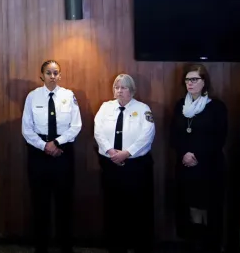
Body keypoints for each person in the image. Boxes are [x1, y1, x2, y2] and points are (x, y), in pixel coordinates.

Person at [21, 60, 82, 253]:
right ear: (42, 75)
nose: (53, 76)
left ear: (60, 75)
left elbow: (76, 126)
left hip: (63, 153)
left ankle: (66, 246)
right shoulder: (32, 97)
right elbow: (26, 129)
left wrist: (57, 143)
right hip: (39, 154)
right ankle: (41, 247)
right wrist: (44, 146)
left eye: (56, 73)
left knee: (65, 202)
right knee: (40, 203)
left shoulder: (68, 96)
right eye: (49, 73)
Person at [93, 74, 156, 253]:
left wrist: (127, 153)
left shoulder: (143, 109)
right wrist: (111, 151)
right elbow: (98, 132)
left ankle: (140, 246)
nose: (119, 91)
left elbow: (147, 135)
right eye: (117, 87)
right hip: (111, 165)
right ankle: (115, 246)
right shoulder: (105, 108)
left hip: (136, 168)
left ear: (132, 90)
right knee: (113, 209)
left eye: (124, 87)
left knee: (137, 210)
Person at [169, 64, 227, 253]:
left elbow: (220, 137)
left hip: (209, 168)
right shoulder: (180, 105)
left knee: (207, 209)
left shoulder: (216, 106)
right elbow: (174, 135)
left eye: (194, 79)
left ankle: (209, 245)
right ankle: (192, 245)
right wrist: (184, 153)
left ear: (204, 82)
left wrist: (197, 155)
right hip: (185, 167)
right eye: (187, 79)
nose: (190, 83)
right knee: (188, 209)